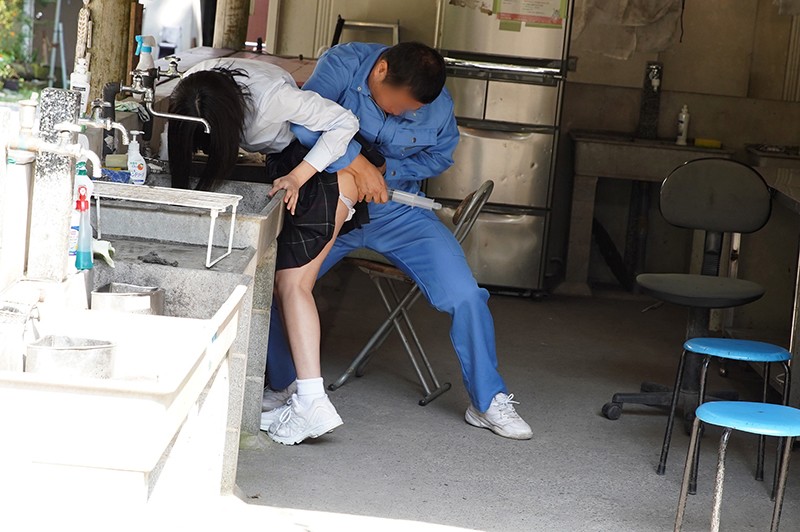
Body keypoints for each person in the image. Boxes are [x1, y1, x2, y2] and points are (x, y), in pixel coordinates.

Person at [262, 42, 533, 441]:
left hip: (397, 208)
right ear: (380, 70)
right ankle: (287, 384)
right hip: (333, 202)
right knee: (275, 285)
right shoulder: (343, 64)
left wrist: (387, 170)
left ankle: (487, 400)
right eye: (398, 103)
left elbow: (440, 157)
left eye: (411, 110)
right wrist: (358, 164)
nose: (403, 113)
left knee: (466, 295)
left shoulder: (436, 102)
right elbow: (302, 124)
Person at [168, 58, 362, 445]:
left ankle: (313, 402)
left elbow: (345, 123)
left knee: (293, 287)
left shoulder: (273, 100)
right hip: (293, 168)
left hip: (324, 175)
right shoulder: (194, 86)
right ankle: (295, 392)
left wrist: (298, 176)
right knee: (282, 287)